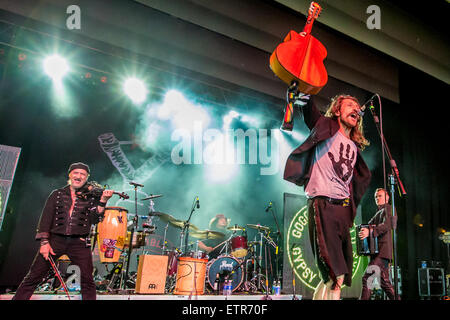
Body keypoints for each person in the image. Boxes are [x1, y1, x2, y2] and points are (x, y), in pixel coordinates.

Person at [284, 93, 371, 300]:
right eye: (350, 105)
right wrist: (305, 95)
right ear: (337, 111)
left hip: (342, 210)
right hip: (323, 203)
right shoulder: (325, 127)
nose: (356, 110)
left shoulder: (354, 146)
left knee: (337, 275)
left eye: (358, 108)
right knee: (334, 270)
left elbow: (356, 181)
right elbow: (310, 113)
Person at [12, 162, 114, 300]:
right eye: (76, 173)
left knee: (87, 281)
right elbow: (46, 218)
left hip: (79, 242)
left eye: (82, 174)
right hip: (55, 241)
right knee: (33, 277)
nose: (78, 176)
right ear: (70, 175)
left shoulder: (91, 197)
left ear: (86, 177)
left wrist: (103, 201)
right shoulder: (57, 194)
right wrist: (44, 242)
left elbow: (95, 219)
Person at [359, 188, 397, 300]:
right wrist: (364, 230)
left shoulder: (389, 208)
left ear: (387, 197)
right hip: (379, 253)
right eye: (376, 197)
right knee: (384, 283)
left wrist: (370, 231)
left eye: (380, 196)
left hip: (383, 253)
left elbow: (387, 224)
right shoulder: (379, 212)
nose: (377, 198)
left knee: (367, 278)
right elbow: (369, 225)